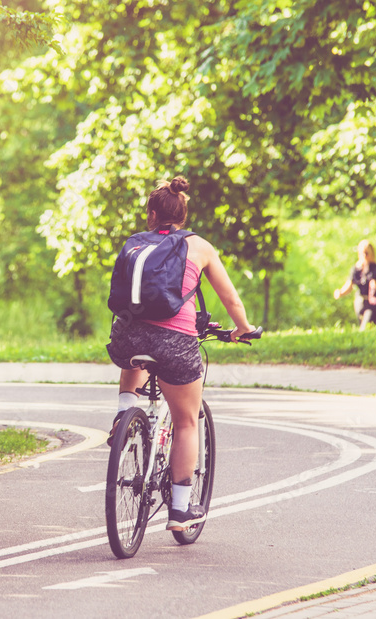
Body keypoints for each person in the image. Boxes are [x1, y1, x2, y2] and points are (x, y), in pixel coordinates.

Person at [106, 176, 255, 532]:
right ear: (183, 214)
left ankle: (124, 416)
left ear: (151, 213)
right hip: (174, 341)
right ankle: (180, 510)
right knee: (187, 421)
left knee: (136, 352)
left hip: (125, 338)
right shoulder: (199, 246)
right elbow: (230, 298)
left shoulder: (133, 244)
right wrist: (243, 327)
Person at [333, 239, 376, 330]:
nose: (365, 255)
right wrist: (340, 292)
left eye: (367, 253)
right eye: (363, 253)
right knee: (365, 326)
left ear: (372, 253)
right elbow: (349, 285)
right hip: (360, 302)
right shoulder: (356, 269)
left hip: (373, 303)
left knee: (366, 327)